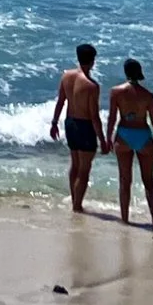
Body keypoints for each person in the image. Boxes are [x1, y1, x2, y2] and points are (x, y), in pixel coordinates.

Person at [103, 59, 153, 228]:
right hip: (143, 136)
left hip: (124, 135)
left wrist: (108, 138)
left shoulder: (116, 92)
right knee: (148, 181)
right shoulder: (148, 95)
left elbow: (112, 118)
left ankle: (125, 219)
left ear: (125, 72)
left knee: (124, 180)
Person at [48, 43, 102, 213]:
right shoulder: (92, 86)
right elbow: (94, 116)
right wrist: (102, 139)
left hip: (70, 122)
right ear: (92, 61)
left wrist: (54, 123)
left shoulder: (66, 76)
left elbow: (60, 102)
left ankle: (74, 201)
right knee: (84, 169)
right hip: (85, 125)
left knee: (75, 164)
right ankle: (77, 206)